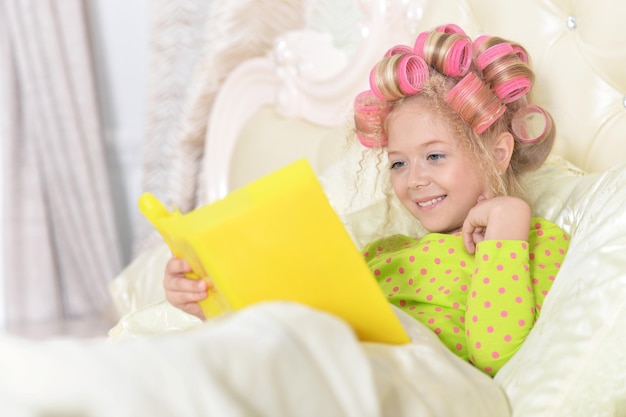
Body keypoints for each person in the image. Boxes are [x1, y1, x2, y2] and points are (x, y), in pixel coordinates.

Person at [163, 23, 570, 376]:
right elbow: (308, 330)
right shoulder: (384, 252)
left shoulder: (534, 242)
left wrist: (506, 225)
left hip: (424, 385)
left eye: (434, 156)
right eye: (398, 164)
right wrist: (215, 303)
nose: (414, 180)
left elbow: (495, 356)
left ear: (498, 153)